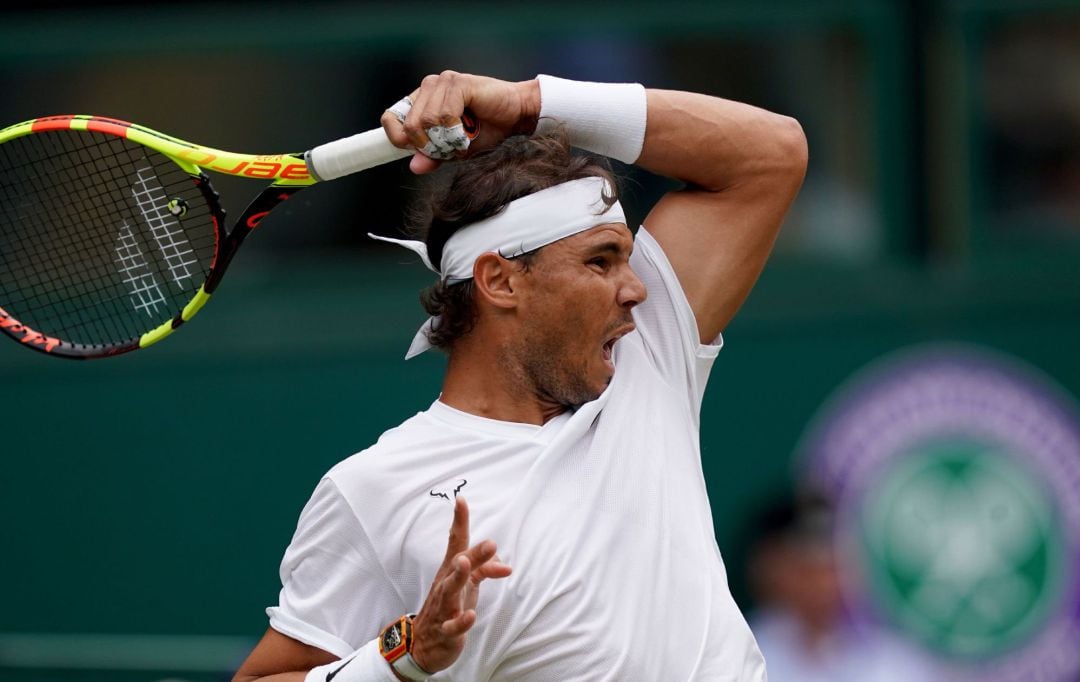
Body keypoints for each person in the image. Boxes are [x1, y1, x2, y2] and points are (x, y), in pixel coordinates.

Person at [233, 70, 807, 681]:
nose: (636, 288)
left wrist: (529, 103)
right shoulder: (373, 489)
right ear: (500, 281)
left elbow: (772, 152)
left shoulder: (649, 358)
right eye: (601, 261)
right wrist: (400, 657)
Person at [744, 489, 941, 682]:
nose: (825, 581)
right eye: (809, 568)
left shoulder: (894, 659)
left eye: (833, 566)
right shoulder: (744, 648)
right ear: (773, 569)